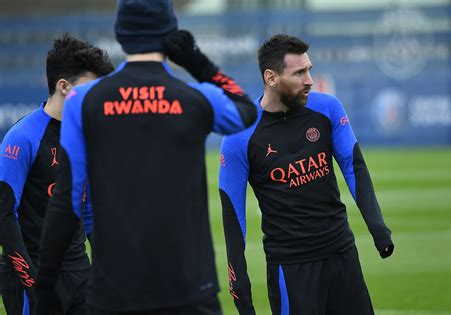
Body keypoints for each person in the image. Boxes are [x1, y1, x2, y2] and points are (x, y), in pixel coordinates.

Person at [34, 1, 258, 314]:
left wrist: (44, 286)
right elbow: (246, 110)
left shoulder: (82, 101)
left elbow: (66, 201)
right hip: (189, 289)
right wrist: (198, 63)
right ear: (169, 34)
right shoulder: (195, 97)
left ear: (121, 36)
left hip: (115, 291)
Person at [219, 34, 395, 315]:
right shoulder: (240, 136)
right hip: (290, 269)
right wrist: (239, 285)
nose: (309, 79)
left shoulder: (327, 108)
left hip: (342, 255)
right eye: (299, 72)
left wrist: (378, 228)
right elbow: (232, 214)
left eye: (309, 69)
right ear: (271, 77)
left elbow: (353, 164)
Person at [0, 33, 114, 315]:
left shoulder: (89, 135)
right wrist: (32, 283)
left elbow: (87, 208)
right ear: (64, 87)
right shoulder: (21, 138)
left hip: (79, 273)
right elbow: (4, 216)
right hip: (33, 275)